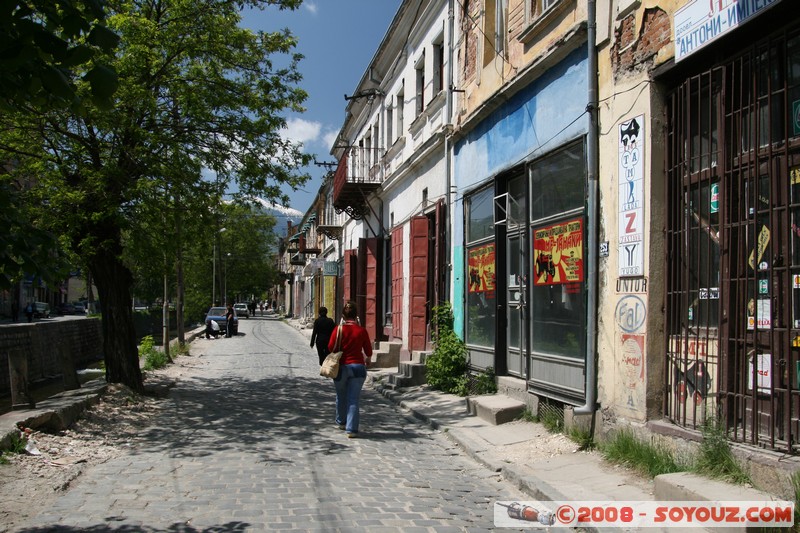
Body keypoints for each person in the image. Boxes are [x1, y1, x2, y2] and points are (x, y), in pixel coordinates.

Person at [327, 301, 372, 438]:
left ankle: (341, 422)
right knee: (353, 399)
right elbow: (368, 351)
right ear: (356, 315)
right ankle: (351, 430)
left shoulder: (338, 330)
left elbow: (330, 347)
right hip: (358, 367)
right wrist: (367, 358)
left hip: (341, 367)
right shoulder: (362, 331)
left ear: (343, 316)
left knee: (341, 396)